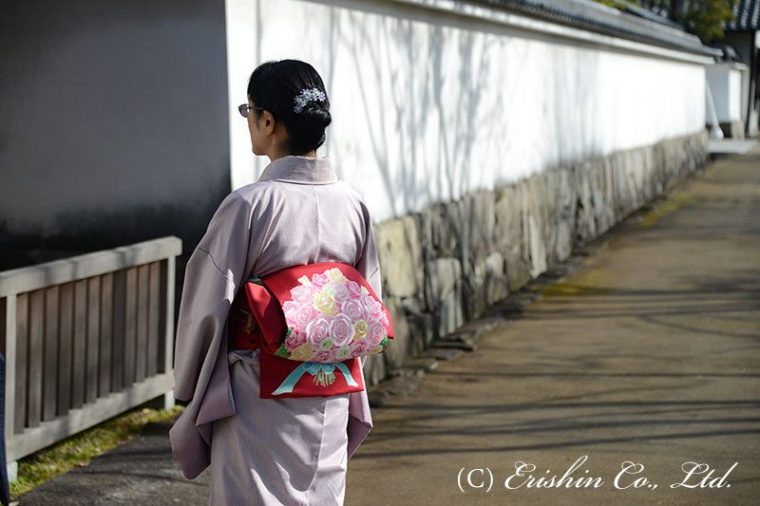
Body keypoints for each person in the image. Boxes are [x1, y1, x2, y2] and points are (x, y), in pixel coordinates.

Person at [168, 59, 382, 505]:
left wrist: (188, 382)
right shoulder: (354, 205)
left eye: (249, 112)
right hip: (329, 385)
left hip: (258, 393)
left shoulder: (249, 205)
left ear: (268, 120)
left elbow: (208, 302)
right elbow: (368, 302)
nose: (249, 122)